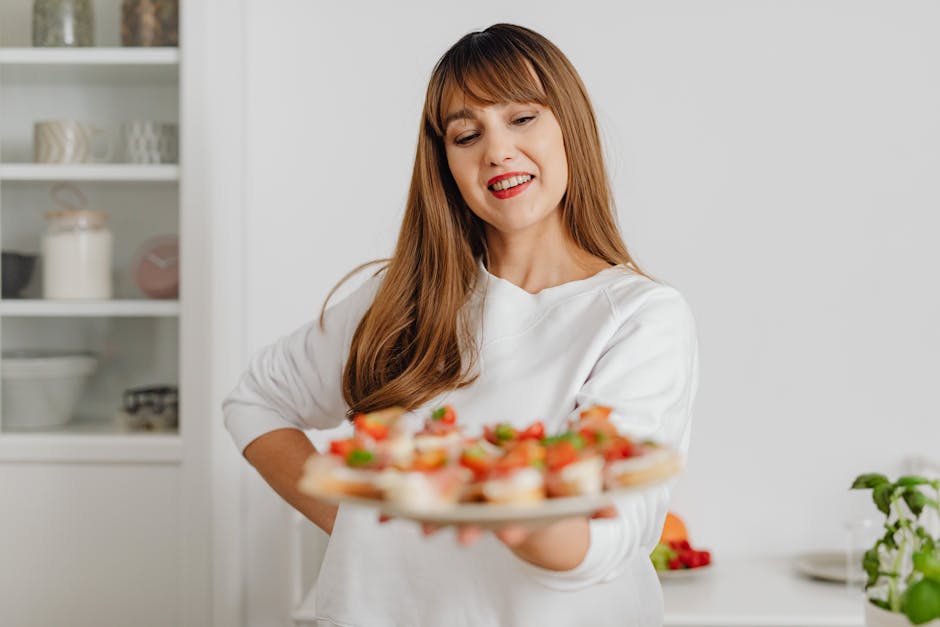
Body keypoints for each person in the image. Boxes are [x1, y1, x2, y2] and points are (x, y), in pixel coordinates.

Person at [223, 23, 698, 627]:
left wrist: (504, 509)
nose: (496, 150)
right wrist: (358, 524)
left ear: (570, 127)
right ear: (445, 162)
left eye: (522, 118)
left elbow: (606, 542)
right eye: (466, 133)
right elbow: (255, 400)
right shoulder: (402, 298)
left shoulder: (640, 316)